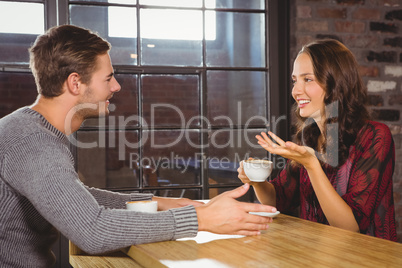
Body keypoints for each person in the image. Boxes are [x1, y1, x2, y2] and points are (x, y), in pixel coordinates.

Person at [0, 25, 277, 267]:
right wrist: (198, 219)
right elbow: (92, 230)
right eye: (108, 78)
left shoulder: (30, 130)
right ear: (75, 83)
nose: (117, 86)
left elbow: (76, 199)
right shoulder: (33, 143)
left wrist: (164, 203)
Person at [238, 39, 397, 241]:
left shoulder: (375, 137)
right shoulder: (310, 138)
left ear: (336, 83)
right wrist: (256, 180)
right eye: (295, 80)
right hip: (317, 256)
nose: (296, 91)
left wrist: (312, 165)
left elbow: (349, 227)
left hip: (367, 259)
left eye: (308, 79)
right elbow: (279, 199)